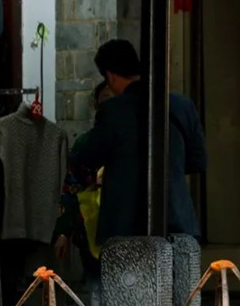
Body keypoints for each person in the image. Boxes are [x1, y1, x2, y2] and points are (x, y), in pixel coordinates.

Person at [72, 39, 208, 245]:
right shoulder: (181, 106)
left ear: (110, 76)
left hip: (125, 226)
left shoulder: (113, 111)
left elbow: (88, 154)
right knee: (177, 277)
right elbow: (198, 160)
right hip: (178, 221)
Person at [53, 81, 115, 306]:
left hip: (126, 228)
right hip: (90, 229)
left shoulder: (135, 139)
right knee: (97, 291)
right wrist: (63, 232)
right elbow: (70, 187)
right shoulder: (86, 144)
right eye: (105, 99)